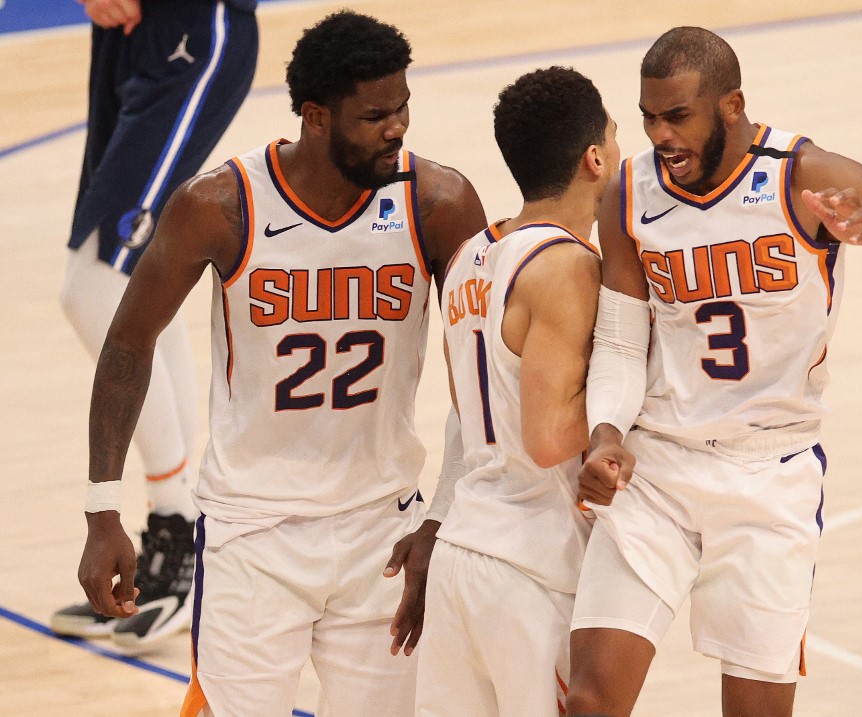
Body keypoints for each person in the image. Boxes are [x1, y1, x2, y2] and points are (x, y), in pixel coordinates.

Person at [74, 10, 486, 716]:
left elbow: (487, 379)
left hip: (381, 529)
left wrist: (444, 515)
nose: (397, 128)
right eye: (375, 115)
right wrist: (102, 508)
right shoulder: (219, 206)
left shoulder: (438, 203)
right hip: (251, 532)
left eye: (403, 107)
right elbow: (126, 345)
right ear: (316, 118)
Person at [567, 26, 862, 717]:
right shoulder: (628, 191)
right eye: (648, 116)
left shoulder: (804, 174)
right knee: (589, 700)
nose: (660, 134)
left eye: (678, 116)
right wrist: (606, 429)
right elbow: (618, 341)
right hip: (659, 467)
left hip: (770, 474)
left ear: (731, 105)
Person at [52, 0, 259, 651]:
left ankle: (179, 519)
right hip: (124, 33)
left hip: (195, 27)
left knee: (93, 287)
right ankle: (177, 520)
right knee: (133, 279)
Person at [414, 66, 617, 717]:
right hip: (533, 562)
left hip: (463, 550)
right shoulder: (568, 265)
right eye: (615, 136)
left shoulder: (470, 254)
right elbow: (549, 437)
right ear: (594, 158)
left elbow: (469, 409)